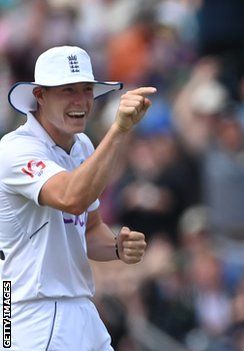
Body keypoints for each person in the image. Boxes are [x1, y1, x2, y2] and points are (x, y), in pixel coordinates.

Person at [0, 46, 154, 350]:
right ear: (40, 96)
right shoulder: (15, 150)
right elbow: (71, 197)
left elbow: (88, 228)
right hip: (26, 311)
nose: (81, 101)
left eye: (86, 90)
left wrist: (116, 246)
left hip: (79, 305)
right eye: (67, 90)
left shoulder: (81, 144)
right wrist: (119, 131)